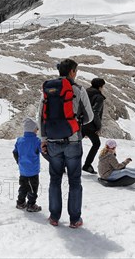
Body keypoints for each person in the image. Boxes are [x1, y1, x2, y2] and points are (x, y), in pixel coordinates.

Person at [39, 58, 93, 229]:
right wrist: (75, 124)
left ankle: (54, 217)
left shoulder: (48, 89)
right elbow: (90, 116)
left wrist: (44, 139)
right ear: (71, 72)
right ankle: (75, 219)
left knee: (55, 179)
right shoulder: (78, 90)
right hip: (73, 141)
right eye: (75, 71)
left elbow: (40, 116)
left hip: (53, 141)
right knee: (74, 181)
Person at [13, 118, 42, 212]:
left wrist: (19, 162)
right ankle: (31, 205)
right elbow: (44, 150)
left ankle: (20, 203)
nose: (37, 131)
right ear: (33, 129)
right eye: (36, 129)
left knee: (23, 187)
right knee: (33, 189)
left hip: (23, 170)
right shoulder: (37, 141)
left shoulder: (19, 140)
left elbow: (15, 152)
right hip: (33, 171)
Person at [82, 78, 106, 174]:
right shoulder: (98, 97)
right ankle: (87, 165)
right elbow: (95, 113)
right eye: (103, 86)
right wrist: (98, 126)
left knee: (75, 143)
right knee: (96, 144)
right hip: (90, 124)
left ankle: (64, 163)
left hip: (80, 122)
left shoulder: (85, 92)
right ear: (100, 87)